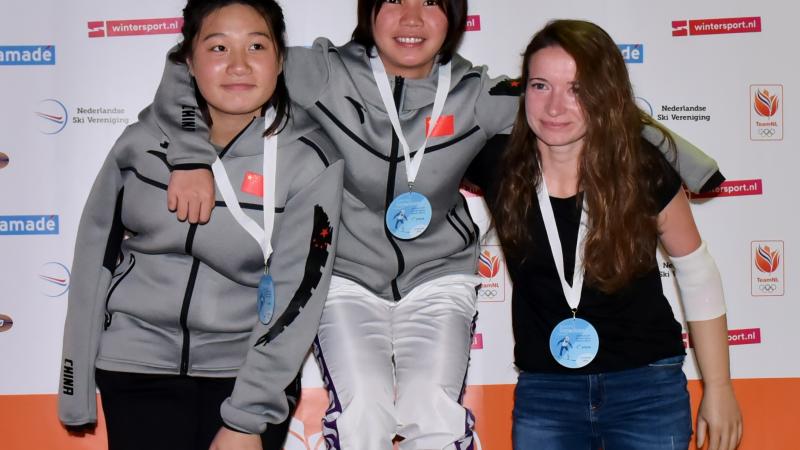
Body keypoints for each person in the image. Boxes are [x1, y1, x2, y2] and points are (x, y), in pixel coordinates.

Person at [157, 2, 726, 449]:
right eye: (395, 1)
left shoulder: (479, 96)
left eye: (430, 2)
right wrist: (187, 154)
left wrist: (697, 168)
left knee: (434, 413)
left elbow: (600, 109)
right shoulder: (319, 73)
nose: (411, 18)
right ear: (369, 9)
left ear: (453, 17)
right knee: (364, 417)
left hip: (441, 279)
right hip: (349, 276)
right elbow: (193, 64)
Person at [57, 1, 343, 449]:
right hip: (135, 368)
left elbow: (299, 293)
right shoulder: (141, 143)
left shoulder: (310, 158)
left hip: (245, 374)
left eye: (256, 45)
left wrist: (247, 419)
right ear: (187, 61)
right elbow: (94, 256)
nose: (238, 65)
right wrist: (74, 387)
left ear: (280, 59)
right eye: (217, 48)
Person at [481, 20, 742, 450]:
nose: (555, 107)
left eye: (577, 89)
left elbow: (696, 272)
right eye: (541, 85)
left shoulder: (641, 166)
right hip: (547, 394)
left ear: (605, 94)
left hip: (647, 389)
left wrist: (719, 387)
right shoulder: (497, 163)